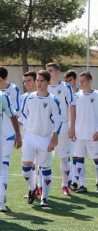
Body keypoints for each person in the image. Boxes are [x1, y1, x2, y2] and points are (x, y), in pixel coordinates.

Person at [21, 70, 61, 207]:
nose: (38, 83)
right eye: (37, 80)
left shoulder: (53, 100)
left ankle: (44, 197)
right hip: (29, 137)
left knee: (45, 168)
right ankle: (33, 188)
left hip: (45, 138)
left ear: (48, 82)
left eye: (41, 80)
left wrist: (54, 139)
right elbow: (23, 115)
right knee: (25, 167)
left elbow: (58, 121)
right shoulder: (29, 97)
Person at [0, 66, 21, 211]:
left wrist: (18, 134)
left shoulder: (14, 90)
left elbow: (16, 112)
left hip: (8, 134)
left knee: (4, 166)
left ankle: (2, 199)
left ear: (6, 79)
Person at [46, 62, 74, 196]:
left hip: (63, 125)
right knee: (43, 158)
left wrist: (72, 126)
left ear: (57, 72)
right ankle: (41, 187)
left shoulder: (66, 87)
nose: (48, 73)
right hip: (47, 128)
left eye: (50, 70)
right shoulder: (44, 86)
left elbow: (72, 107)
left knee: (64, 158)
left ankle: (65, 185)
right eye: (47, 70)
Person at [68, 71, 98, 193]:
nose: (80, 83)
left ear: (90, 81)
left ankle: (97, 184)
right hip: (79, 134)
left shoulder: (96, 95)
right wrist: (72, 129)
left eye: (83, 81)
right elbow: (73, 114)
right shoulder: (76, 96)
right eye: (79, 81)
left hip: (93, 134)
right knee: (79, 158)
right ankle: (83, 185)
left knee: (96, 159)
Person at [64, 70, 80, 191]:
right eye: (67, 81)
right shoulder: (65, 93)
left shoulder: (80, 94)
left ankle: (75, 180)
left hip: (77, 127)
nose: (69, 83)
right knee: (67, 154)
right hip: (67, 126)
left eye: (70, 80)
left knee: (76, 154)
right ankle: (70, 179)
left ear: (75, 80)